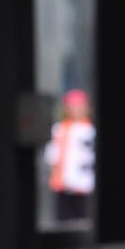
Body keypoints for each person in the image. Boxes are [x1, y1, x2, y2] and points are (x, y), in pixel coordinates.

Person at [47, 89, 94, 227]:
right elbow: (53, 157)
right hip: (64, 186)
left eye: (80, 106)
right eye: (73, 106)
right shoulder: (59, 129)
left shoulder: (91, 129)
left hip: (85, 186)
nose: (76, 110)